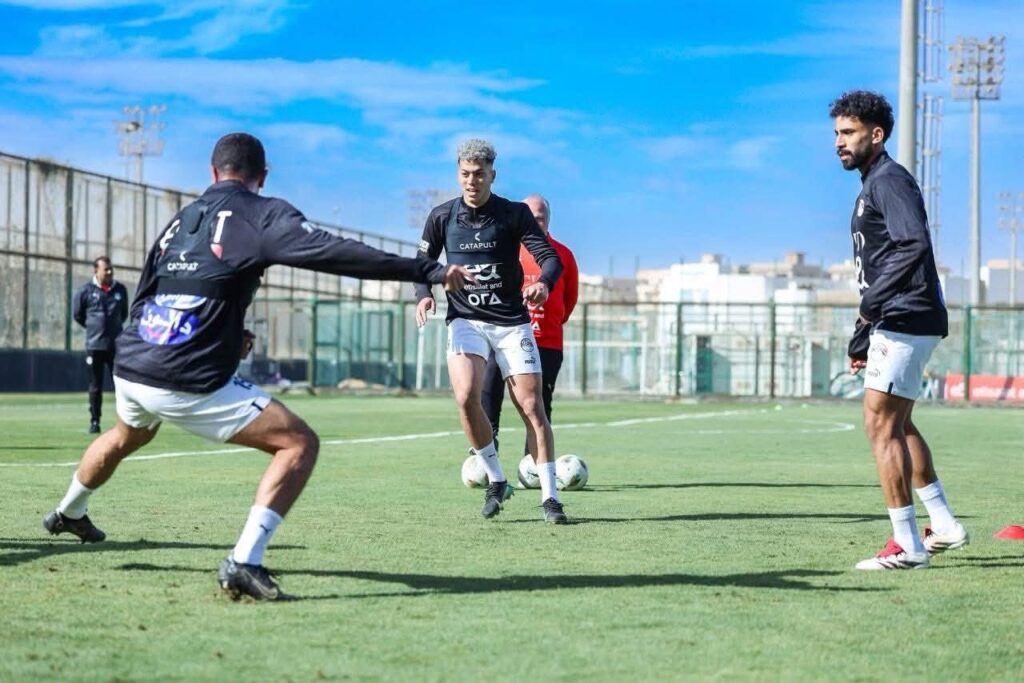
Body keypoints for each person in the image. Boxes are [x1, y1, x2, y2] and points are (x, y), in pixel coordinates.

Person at [42, 132, 473, 600]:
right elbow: (335, 252)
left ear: (212, 173)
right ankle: (244, 562)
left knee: (129, 434)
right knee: (298, 443)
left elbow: (152, 291)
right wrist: (426, 269)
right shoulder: (261, 214)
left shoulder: (180, 220)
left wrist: (223, 335)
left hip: (131, 363)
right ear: (262, 177)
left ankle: (68, 512)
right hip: (182, 374)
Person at [832, 90, 969, 570]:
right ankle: (944, 525)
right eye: (836, 133)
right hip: (900, 316)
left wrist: (871, 307)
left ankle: (907, 545)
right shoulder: (873, 183)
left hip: (906, 315)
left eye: (848, 132)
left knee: (880, 424)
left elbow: (913, 244)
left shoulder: (889, 180)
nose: (839, 142)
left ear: (876, 134)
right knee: (899, 423)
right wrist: (866, 325)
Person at [415, 139, 568, 524]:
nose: (472, 181)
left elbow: (550, 258)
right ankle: (497, 480)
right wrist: (424, 294)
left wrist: (543, 284)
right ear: (458, 174)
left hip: (512, 322)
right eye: (465, 174)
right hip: (465, 320)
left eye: (479, 174)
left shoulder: (514, 214)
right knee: (466, 397)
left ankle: (551, 498)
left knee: (532, 407)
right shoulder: (442, 216)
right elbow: (422, 263)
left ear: (492, 175)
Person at [480, 194, 578, 461]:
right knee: (488, 391)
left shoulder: (563, 255)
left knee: (538, 404)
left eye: (540, 218)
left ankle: (533, 462)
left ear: (548, 220)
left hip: (546, 342)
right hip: (502, 337)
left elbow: (569, 300)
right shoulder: (505, 250)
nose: (534, 223)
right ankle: (486, 450)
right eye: (529, 218)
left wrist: (548, 321)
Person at [73, 256, 129, 433]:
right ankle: (95, 421)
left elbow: (124, 314)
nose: (110, 272)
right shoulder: (85, 291)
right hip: (95, 346)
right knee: (95, 386)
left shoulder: (120, 290)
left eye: (111, 269)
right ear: (96, 271)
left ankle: (125, 421)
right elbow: (78, 315)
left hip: (115, 347)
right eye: (106, 269)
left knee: (121, 385)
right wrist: (93, 327)